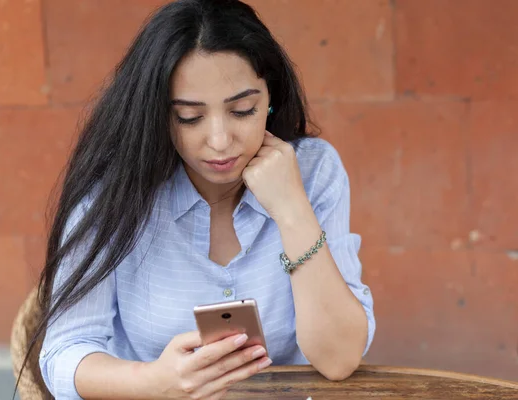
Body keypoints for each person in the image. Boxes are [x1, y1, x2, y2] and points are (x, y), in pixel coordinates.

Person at [29, 0, 375, 398]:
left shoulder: (314, 171)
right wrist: (156, 382)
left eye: (243, 110)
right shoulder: (115, 191)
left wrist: (292, 209)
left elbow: (340, 359)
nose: (219, 141)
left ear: (270, 99)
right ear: (157, 114)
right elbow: (63, 354)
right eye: (190, 117)